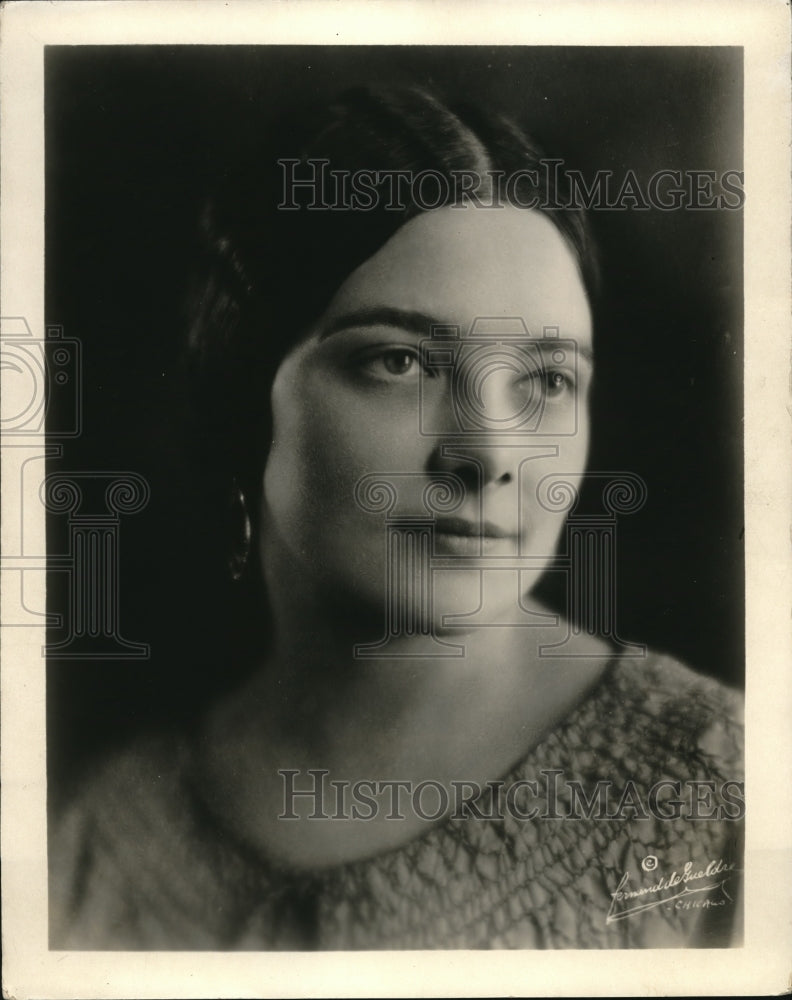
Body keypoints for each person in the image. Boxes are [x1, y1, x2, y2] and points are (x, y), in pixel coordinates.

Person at [49, 84, 743, 950]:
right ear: (244, 397)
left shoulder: (721, 798)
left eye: (548, 380)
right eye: (402, 361)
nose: (489, 456)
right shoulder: (104, 833)